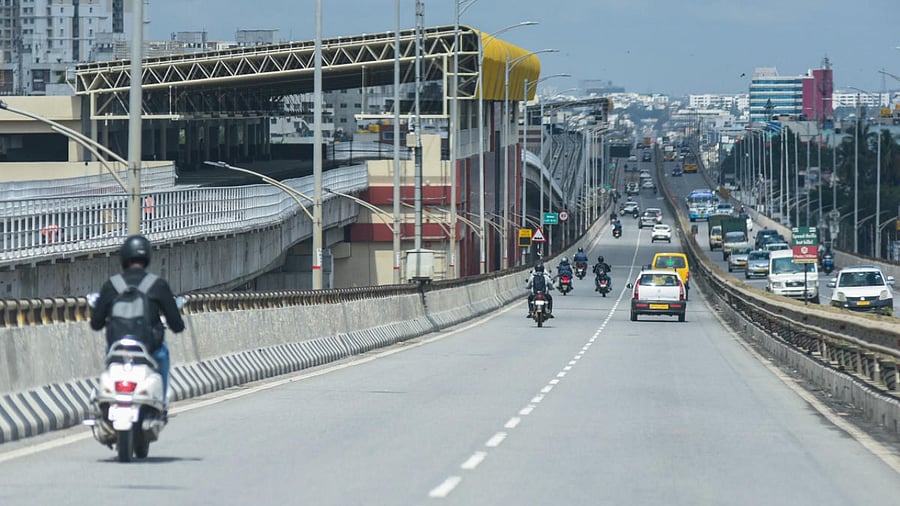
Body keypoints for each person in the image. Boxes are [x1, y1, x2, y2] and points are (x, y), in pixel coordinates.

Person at [90, 235, 185, 406]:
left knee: (109, 356)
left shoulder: (111, 285)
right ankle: (161, 402)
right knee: (163, 354)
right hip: (149, 349)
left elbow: (96, 323)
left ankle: (106, 402)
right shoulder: (157, 285)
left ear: (124, 256)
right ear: (147, 256)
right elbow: (177, 325)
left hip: (118, 349)